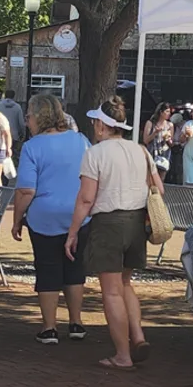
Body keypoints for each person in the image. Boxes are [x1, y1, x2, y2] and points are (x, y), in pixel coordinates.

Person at [65, 96, 164, 371]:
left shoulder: (94, 154)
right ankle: (139, 336)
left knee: (111, 292)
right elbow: (159, 190)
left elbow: (86, 198)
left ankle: (122, 355)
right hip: (136, 223)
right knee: (126, 284)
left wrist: (73, 232)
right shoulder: (140, 150)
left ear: (101, 125)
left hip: (108, 223)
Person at [10, 95, 91, 345]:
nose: (27, 121)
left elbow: (26, 190)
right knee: (74, 269)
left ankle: (49, 327)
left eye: (29, 116)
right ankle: (76, 323)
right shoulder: (81, 141)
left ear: (38, 116)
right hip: (79, 215)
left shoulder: (33, 147)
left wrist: (16, 219)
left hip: (44, 217)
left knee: (48, 269)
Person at [143, 103, 175, 179]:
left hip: (164, 155)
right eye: (167, 111)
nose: (169, 114)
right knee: (150, 179)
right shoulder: (150, 123)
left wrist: (168, 140)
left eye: (169, 112)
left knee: (161, 179)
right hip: (152, 154)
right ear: (161, 112)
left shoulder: (170, 125)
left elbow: (171, 144)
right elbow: (145, 140)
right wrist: (155, 133)